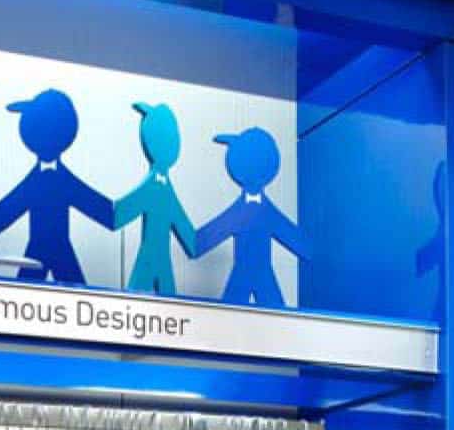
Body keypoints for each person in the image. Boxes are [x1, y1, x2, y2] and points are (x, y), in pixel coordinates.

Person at [0, 89, 113, 284]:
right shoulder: (36, 181)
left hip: (61, 250)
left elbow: (96, 206)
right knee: (26, 295)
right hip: (36, 251)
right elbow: (7, 210)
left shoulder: (62, 181)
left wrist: (116, 215)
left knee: (74, 297)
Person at [195, 127, 309, 307]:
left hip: (262, 274)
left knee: (273, 315)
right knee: (231, 315)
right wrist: (194, 243)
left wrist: (307, 248)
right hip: (243, 274)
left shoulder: (259, 210)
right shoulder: (247, 210)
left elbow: (287, 231)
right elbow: (217, 229)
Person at [114, 102, 196, 295]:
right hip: (152, 258)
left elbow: (118, 215)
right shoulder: (157, 188)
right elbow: (118, 215)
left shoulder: (162, 189)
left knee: (161, 307)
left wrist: (199, 242)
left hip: (159, 260)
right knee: (145, 305)